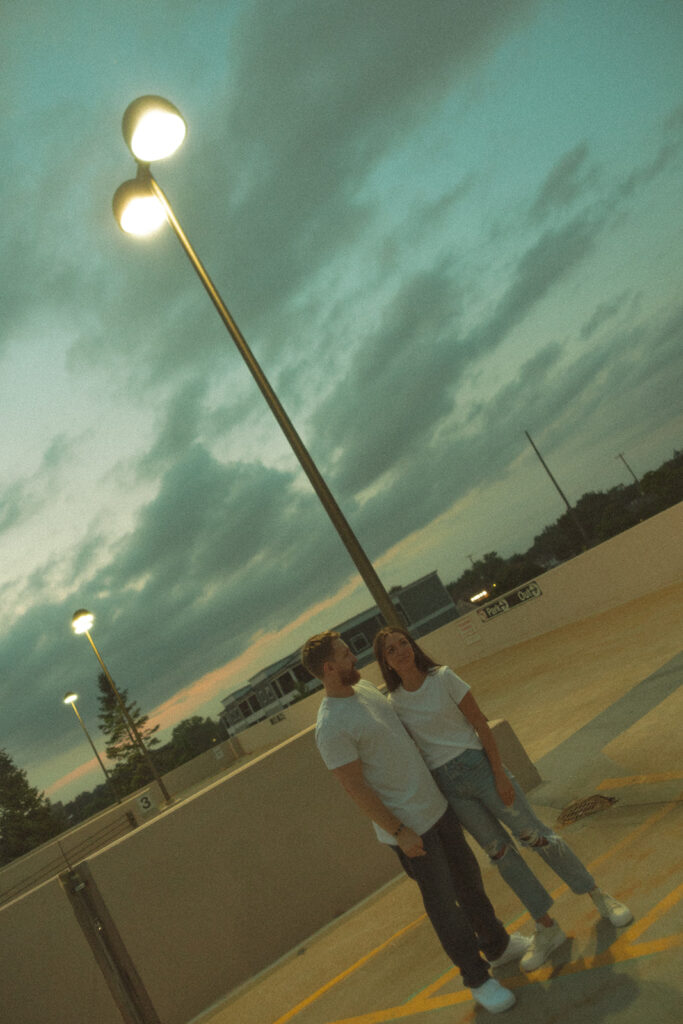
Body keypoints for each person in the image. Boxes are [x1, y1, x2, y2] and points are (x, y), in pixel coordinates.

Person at [372, 625, 634, 972]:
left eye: (403, 643)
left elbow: (480, 724)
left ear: (413, 645)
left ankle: (597, 895)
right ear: (385, 663)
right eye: (391, 650)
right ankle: (546, 927)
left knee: (536, 836)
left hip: (481, 769)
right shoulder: (395, 704)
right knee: (501, 854)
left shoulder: (443, 678)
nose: (401, 651)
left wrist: (498, 773)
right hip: (451, 787)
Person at [302, 630, 530, 1015]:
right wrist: (398, 832)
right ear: (328, 668)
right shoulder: (331, 727)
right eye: (345, 654)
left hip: (437, 808)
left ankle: (497, 944)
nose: (354, 656)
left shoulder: (368, 693)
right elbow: (356, 790)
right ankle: (477, 979)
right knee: (445, 907)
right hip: (411, 831)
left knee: (469, 881)